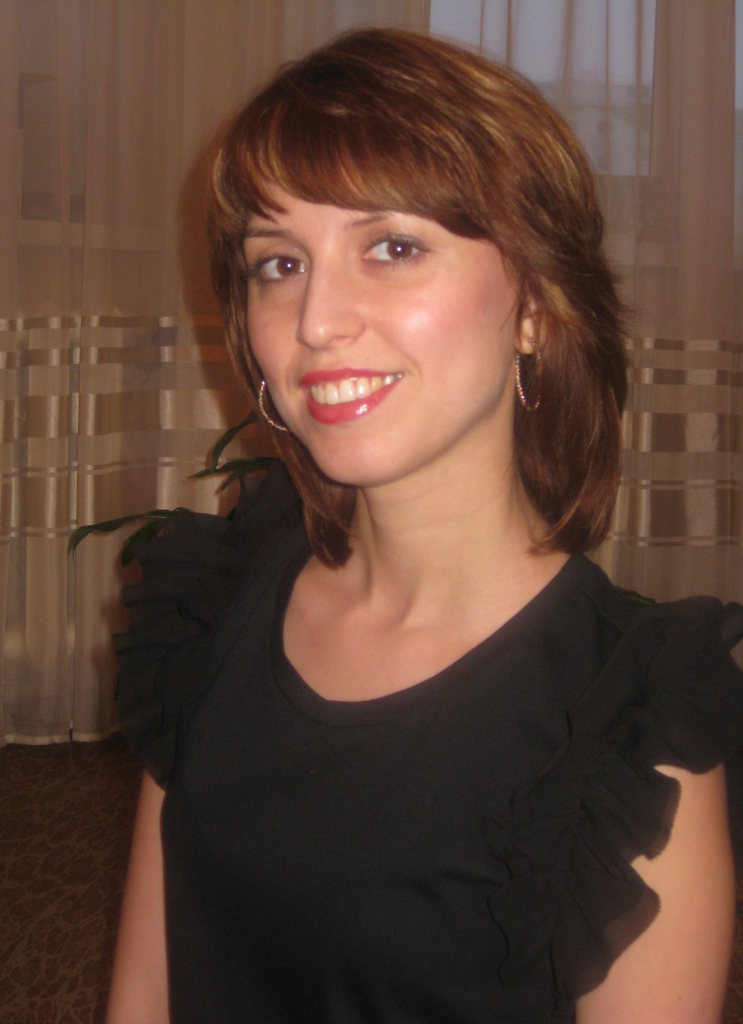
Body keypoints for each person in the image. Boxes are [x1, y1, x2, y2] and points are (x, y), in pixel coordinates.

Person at [106, 28, 743, 1024]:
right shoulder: (215, 604)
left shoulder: (626, 732)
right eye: (279, 263)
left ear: (535, 306)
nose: (316, 320)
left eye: (393, 247)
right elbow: (147, 993)